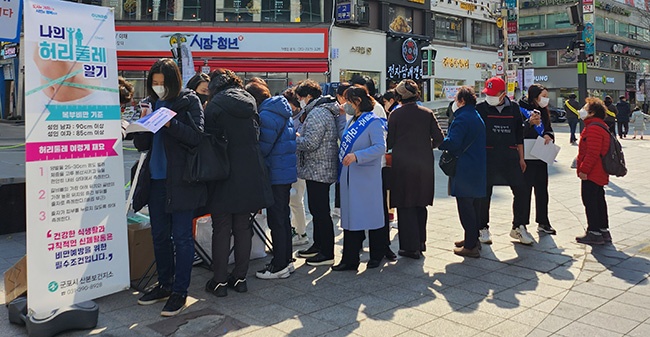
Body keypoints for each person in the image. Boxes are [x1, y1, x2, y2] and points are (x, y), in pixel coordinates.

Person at [131, 58, 206, 317]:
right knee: (159, 236)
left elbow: (197, 138)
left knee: (182, 237)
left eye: (163, 83)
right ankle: (165, 283)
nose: (158, 87)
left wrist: (170, 124)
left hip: (181, 181)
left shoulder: (189, 101)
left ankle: (179, 291)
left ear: (173, 81)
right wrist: (141, 124)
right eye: (155, 83)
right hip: (155, 180)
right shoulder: (151, 103)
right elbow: (142, 146)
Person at [203, 69, 274, 297]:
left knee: (222, 227)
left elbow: (209, 141)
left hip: (223, 171)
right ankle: (240, 279)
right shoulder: (250, 101)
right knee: (243, 226)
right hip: (250, 171)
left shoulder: (214, 106)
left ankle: (220, 281)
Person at [245, 81, 297, 279]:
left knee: (277, 219)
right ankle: (287, 261)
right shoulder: (280, 110)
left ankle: (279, 265)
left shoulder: (267, 116)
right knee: (283, 217)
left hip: (275, 174)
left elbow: (263, 148)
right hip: (284, 172)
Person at [387, 79, 444, 259]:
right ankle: (421, 242)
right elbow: (440, 138)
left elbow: (389, 142)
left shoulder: (395, 115)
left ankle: (410, 247)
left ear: (398, 97)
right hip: (424, 164)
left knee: (405, 204)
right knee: (420, 203)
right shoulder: (427, 113)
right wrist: (426, 146)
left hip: (403, 164)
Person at [332, 86, 387, 271]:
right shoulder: (352, 120)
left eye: (348, 100)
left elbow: (380, 147)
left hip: (366, 177)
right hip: (350, 176)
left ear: (357, 101)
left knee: (372, 217)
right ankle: (350, 258)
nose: (345, 104)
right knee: (351, 217)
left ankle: (377, 255)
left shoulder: (373, 121)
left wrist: (358, 156)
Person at [294, 80, 345, 266]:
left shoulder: (317, 113)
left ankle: (327, 252)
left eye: (300, 98)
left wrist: (295, 138)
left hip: (319, 169)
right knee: (317, 210)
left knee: (321, 211)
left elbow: (310, 143)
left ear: (308, 96)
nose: (300, 101)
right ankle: (318, 246)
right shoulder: (321, 110)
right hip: (319, 168)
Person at [475, 77, 530, 245]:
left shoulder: (514, 108)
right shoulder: (480, 108)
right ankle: (482, 228)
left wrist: (521, 157)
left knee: (521, 191)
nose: (489, 96)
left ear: (503, 94)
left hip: (510, 156)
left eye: (493, 94)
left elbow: (519, 136)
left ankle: (518, 227)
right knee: (484, 194)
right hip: (487, 157)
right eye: (487, 93)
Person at [439, 86, 486, 258]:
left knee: (466, 207)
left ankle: (470, 245)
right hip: (477, 166)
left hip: (465, 168)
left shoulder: (462, 118)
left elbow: (453, 142)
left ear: (462, 101)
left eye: (457, 99)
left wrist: (438, 141)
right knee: (474, 206)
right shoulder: (475, 115)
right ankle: (472, 238)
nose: (455, 103)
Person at [517, 84, 556, 237]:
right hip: (526, 157)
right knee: (524, 192)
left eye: (547, 96)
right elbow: (517, 132)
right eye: (543, 96)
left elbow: (549, 128)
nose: (546, 99)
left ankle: (543, 222)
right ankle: (521, 224)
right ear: (534, 96)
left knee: (542, 191)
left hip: (541, 155)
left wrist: (548, 135)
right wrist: (529, 124)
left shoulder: (544, 111)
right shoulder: (520, 109)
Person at [576, 97, 612, 244]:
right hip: (599, 171)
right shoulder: (599, 126)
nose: (582, 110)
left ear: (592, 112)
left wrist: (584, 170)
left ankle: (594, 232)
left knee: (590, 201)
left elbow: (593, 152)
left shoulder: (594, 128)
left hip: (593, 172)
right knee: (598, 200)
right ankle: (603, 231)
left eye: (585, 108)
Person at [282, 87, 309, 246]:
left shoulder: (303, 117)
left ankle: (301, 233)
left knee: (296, 199)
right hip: (290, 163)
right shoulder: (291, 116)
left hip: (298, 163)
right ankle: (296, 229)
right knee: (294, 200)